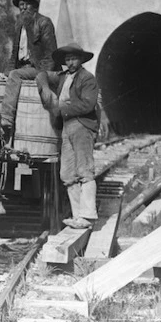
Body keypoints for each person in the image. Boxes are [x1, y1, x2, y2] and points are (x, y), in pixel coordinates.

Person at [36, 43, 100, 229]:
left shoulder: (87, 79)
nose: (70, 63)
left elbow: (87, 105)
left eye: (74, 59)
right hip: (67, 127)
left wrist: (61, 108)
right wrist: (45, 87)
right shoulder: (63, 77)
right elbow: (43, 75)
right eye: (67, 59)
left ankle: (88, 216)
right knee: (67, 173)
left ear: (81, 60)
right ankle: (78, 215)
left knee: (85, 170)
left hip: (82, 125)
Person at [0, 0, 59, 142]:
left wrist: (43, 75)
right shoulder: (19, 25)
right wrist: (6, 71)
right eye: (20, 5)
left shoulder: (44, 22)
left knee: (15, 75)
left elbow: (51, 52)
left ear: (34, 6)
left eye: (26, 5)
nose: (23, 8)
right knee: (5, 76)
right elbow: (14, 53)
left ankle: (6, 118)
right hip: (24, 67)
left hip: (38, 67)